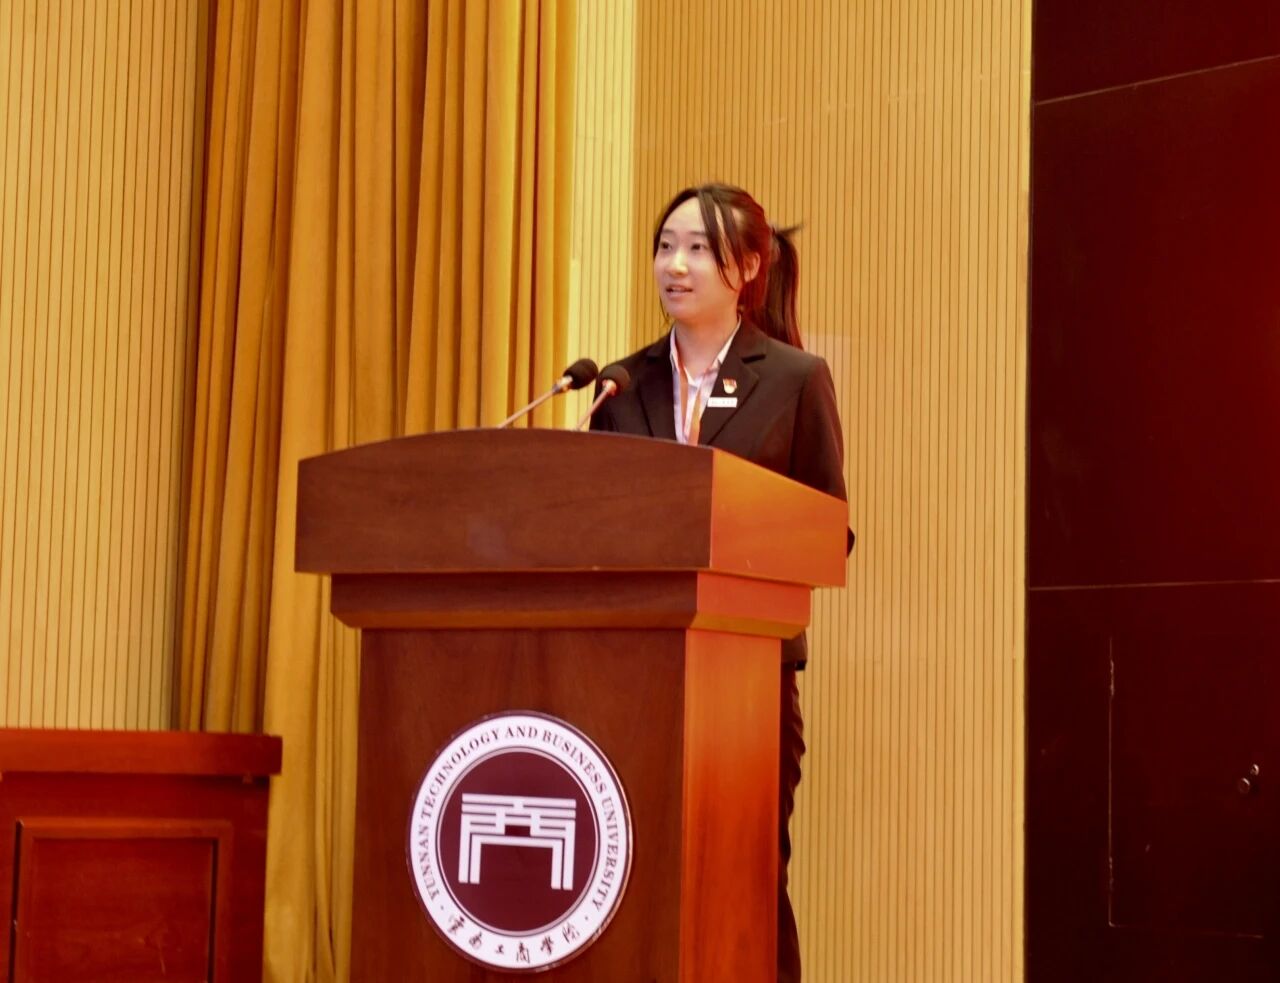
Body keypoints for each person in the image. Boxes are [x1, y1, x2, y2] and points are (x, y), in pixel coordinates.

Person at [590, 182, 851, 982]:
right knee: (639, 875)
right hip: (639, 678)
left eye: (698, 249)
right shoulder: (622, 384)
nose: (675, 265)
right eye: (666, 246)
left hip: (751, 681)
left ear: (746, 267)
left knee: (747, 880)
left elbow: (830, 532)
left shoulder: (794, 379)